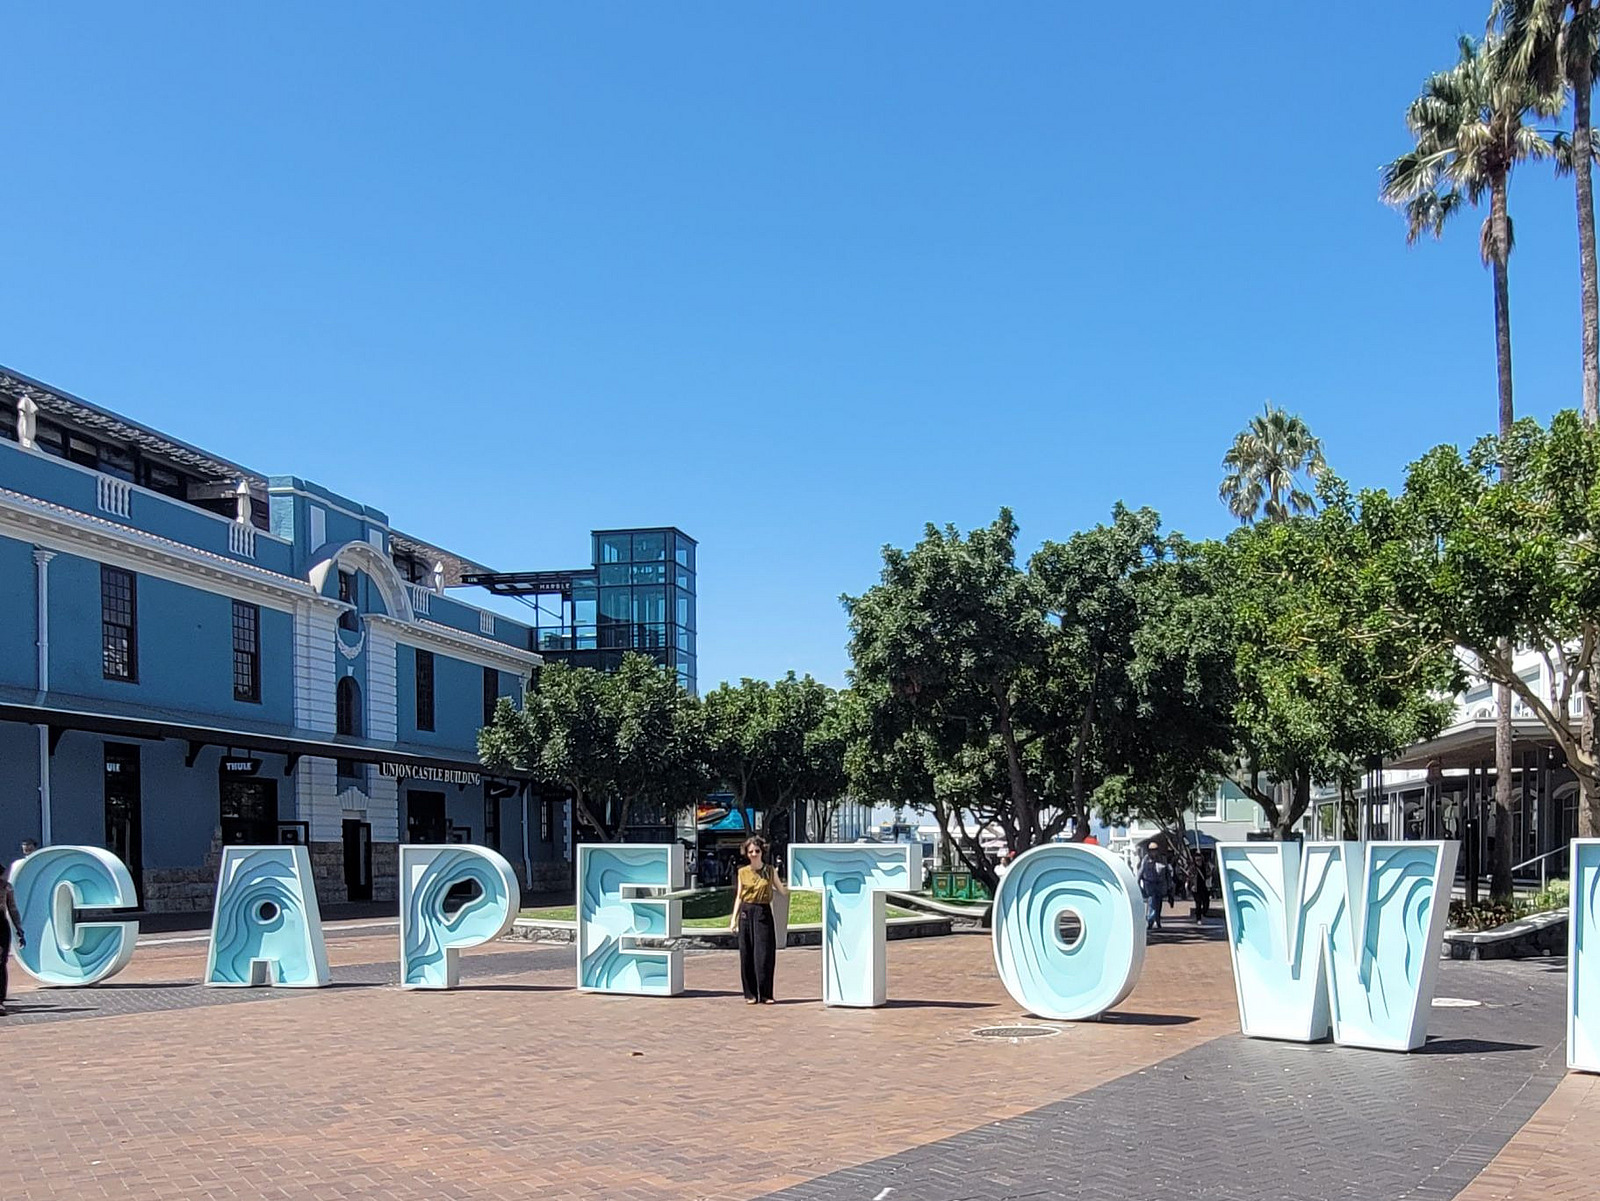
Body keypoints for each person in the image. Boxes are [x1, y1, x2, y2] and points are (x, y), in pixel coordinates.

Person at [728, 835, 788, 1004]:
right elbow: (739, 896)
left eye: (757, 851)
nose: (754, 854)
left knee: (764, 954)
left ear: (762, 852)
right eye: (751, 851)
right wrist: (734, 919)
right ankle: (750, 994)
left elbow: (782, 891)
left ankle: (766, 994)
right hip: (747, 912)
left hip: (763, 911)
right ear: (746, 854)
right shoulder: (742, 872)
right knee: (746, 954)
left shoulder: (770, 871)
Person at [0, 859, 25, 1017]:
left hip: (1, 924)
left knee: (1, 962)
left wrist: (19, 928)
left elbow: (13, 909)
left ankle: (0, 999)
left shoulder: (6, 887)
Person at [1137, 842, 1170, 933]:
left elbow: (1167, 873)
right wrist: (1137, 883)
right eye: (1151, 850)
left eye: (1155, 850)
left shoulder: (1162, 859)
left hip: (1160, 884)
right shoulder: (1145, 860)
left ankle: (1158, 919)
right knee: (1152, 902)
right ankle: (1150, 921)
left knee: (1159, 903)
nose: (1153, 852)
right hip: (1150, 884)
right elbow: (1140, 872)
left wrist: (1169, 885)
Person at [1192, 854, 1212, 922]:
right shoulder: (1193, 868)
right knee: (1198, 903)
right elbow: (1189, 876)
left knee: (1206, 902)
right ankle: (1198, 918)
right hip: (1196, 888)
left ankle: (1204, 912)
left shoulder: (1206, 866)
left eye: (1199, 860)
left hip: (1205, 887)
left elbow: (1210, 873)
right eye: (1197, 860)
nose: (1198, 862)